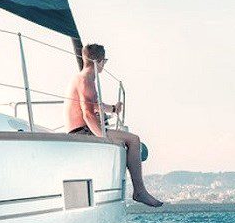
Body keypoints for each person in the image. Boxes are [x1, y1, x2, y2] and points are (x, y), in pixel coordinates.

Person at [66, 43, 163, 207]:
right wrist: (103, 139)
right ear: (101, 61)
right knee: (134, 140)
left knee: (128, 139)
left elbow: (93, 105)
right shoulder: (86, 80)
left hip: (84, 129)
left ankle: (139, 190)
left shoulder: (82, 77)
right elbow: (88, 114)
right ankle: (139, 191)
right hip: (82, 132)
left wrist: (112, 109)